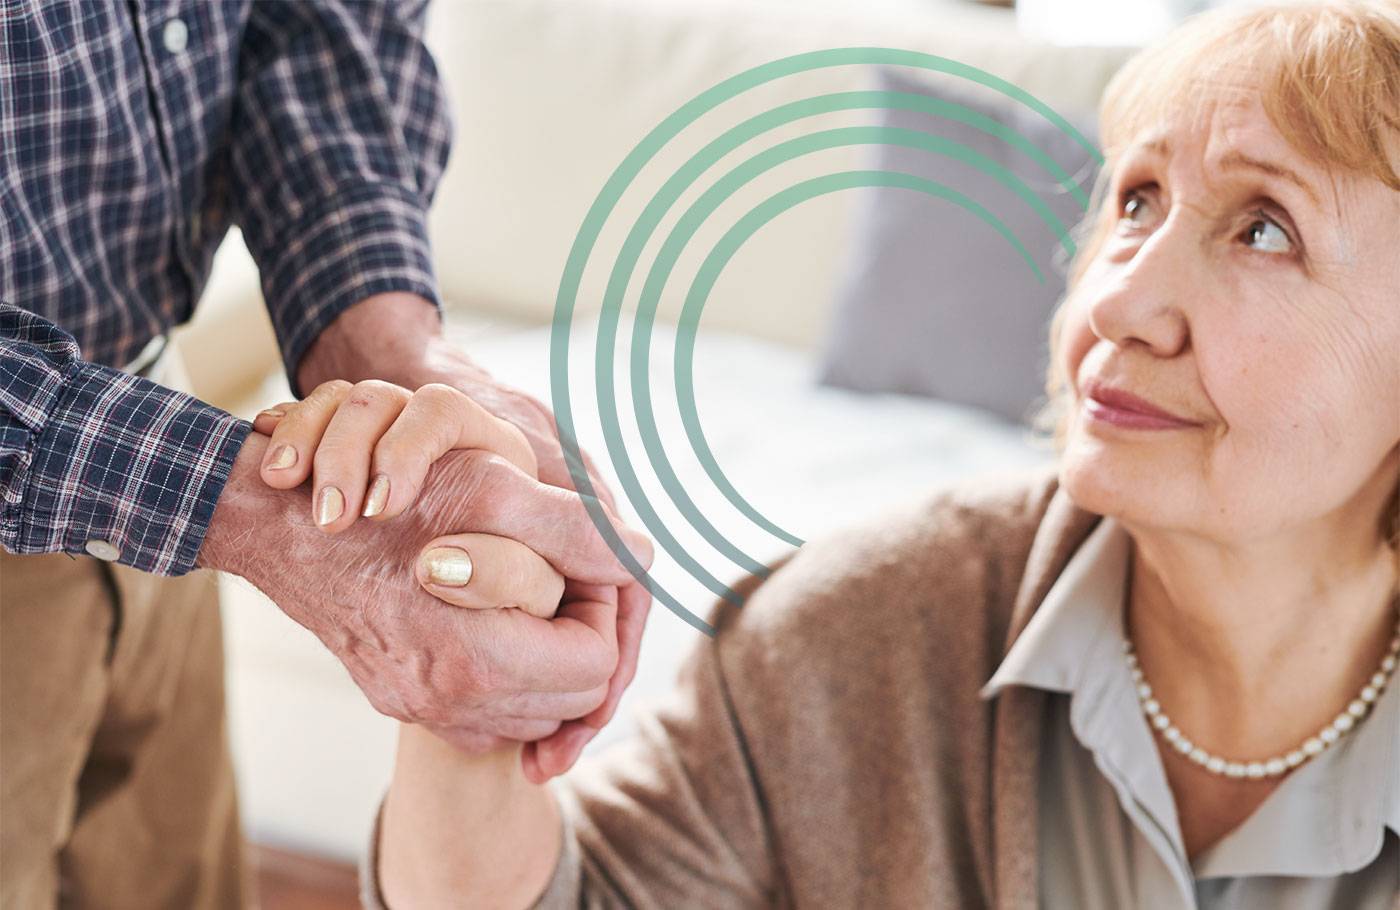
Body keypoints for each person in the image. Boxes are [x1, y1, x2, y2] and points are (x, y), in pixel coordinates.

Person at [361, 2, 1400, 907]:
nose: (1117, 302)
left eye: (1263, 229)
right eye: (1134, 201)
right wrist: (473, 691)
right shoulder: (846, 636)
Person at [0, 2, 652, 907]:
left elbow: (314, 22)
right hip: (160, 473)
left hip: (153, 442)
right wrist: (256, 511)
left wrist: (385, 345)